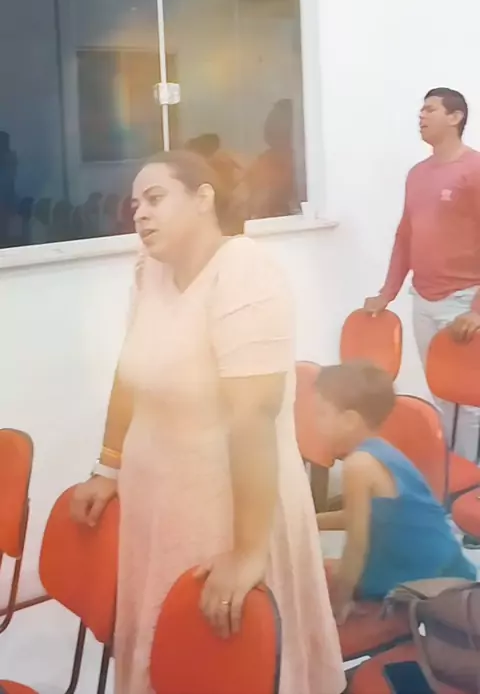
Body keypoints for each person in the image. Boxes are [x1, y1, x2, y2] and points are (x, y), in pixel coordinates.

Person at [70, 150, 345, 694]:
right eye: (134, 204)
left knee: (222, 659)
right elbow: (131, 372)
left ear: (203, 198)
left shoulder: (243, 272)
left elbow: (253, 418)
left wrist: (247, 554)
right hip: (158, 504)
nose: (140, 213)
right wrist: (107, 466)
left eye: (155, 198)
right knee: (161, 656)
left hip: (229, 509)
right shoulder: (150, 272)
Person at [364, 88, 480, 459]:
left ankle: (468, 482)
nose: (421, 116)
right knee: (443, 394)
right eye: (421, 110)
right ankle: (452, 476)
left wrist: (477, 311)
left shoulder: (474, 170)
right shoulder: (418, 174)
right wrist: (387, 293)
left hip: (463, 302)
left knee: (470, 404)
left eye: (430, 109)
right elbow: (406, 236)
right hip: (424, 300)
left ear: (455, 117)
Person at [315, 361, 476, 624]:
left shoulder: (359, 465)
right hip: (444, 564)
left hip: (425, 582)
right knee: (325, 568)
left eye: (321, 413)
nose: (314, 422)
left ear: (349, 421)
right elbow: (361, 515)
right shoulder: (380, 450)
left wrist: (340, 604)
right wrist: (313, 521)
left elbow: (356, 546)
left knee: (319, 575)